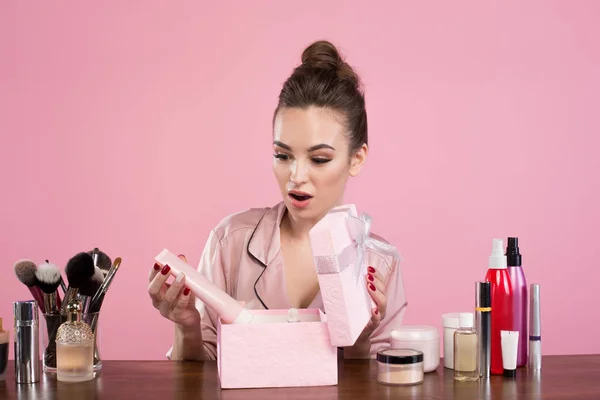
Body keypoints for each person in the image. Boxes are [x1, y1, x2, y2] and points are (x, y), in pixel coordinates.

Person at [148, 40, 407, 361]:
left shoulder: (379, 264)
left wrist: (360, 340)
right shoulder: (230, 241)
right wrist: (186, 326)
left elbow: (382, 384)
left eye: (320, 159)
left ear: (356, 158)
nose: (296, 175)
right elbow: (195, 377)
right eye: (282, 155)